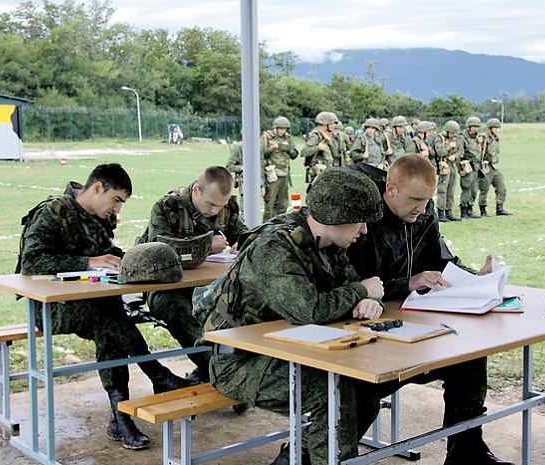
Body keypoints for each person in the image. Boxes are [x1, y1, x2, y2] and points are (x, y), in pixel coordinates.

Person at [203, 167, 398, 464]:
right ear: (336, 217)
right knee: (332, 395)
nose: (364, 230)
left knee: (364, 389)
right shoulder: (275, 247)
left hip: (287, 350)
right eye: (360, 221)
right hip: (239, 361)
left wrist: (372, 301)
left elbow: (359, 289)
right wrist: (362, 292)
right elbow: (310, 310)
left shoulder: (327, 243)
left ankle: (299, 458)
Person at [347, 154, 514, 465]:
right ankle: (315, 456)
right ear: (391, 189)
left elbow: (439, 260)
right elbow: (351, 284)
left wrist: (472, 277)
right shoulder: (361, 219)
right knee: (360, 391)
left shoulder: (423, 213)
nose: (422, 209)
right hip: (366, 331)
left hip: (412, 323)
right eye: (415, 199)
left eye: (427, 200)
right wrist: (406, 283)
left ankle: (466, 450)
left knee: (470, 358)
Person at [20, 163, 190, 451]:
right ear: (98, 188)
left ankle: (120, 416)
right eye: (117, 200)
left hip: (94, 303)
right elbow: (31, 262)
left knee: (109, 323)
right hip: (52, 308)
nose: (117, 210)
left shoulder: (97, 218)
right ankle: (156, 376)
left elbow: (109, 254)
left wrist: (136, 260)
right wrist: (87, 263)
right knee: (108, 319)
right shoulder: (53, 212)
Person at [139, 166, 248, 383]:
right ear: (197, 190)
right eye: (212, 205)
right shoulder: (167, 207)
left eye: (222, 206)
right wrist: (206, 245)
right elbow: (161, 253)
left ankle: (216, 370)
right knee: (181, 311)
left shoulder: (225, 208)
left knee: (240, 304)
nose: (216, 211)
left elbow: (243, 235)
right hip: (165, 287)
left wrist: (242, 243)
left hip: (205, 285)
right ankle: (225, 376)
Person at [261, 116, 299, 220]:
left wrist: (288, 149)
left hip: (285, 172)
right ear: (276, 128)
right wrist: (272, 148)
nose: (283, 131)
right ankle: (267, 226)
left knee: (283, 203)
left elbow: (295, 154)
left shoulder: (288, 138)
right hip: (272, 173)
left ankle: (279, 224)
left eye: (285, 129)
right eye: (281, 129)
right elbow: (262, 154)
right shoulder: (267, 136)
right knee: (270, 203)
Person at [478, 118, 513, 217]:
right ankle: (483, 210)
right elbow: (479, 153)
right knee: (484, 189)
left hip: (494, 166)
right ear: (490, 128)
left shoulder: (496, 138)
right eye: (495, 127)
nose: (497, 129)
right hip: (486, 166)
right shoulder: (484, 138)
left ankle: (500, 208)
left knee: (501, 187)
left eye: (498, 127)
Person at [434, 120, 464, 222]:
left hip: (453, 166)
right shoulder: (439, 139)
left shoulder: (455, 139)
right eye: (452, 133)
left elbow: (461, 151)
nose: (453, 135)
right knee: (443, 190)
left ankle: (449, 211)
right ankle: (441, 213)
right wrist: (449, 147)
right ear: (446, 131)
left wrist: (455, 156)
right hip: (444, 167)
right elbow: (439, 152)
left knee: (451, 190)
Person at [225, 140, 265, 212]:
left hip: (256, 181)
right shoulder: (239, 147)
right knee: (245, 209)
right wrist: (241, 168)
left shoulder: (259, 147)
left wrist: (261, 185)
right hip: (244, 181)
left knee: (255, 209)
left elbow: (261, 167)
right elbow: (229, 166)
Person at [456, 116, 483, 219]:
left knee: (474, 190)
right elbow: (459, 153)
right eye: (473, 126)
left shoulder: (477, 138)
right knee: (466, 189)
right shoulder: (462, 137)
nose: (475, 129)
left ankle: (470, 209)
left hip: (476, 167)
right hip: (467, 167)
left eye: (477, 127)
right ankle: (464, 210)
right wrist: (460, 169)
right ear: (469, 127)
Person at [301, 111, 340, 182]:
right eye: (331, 124)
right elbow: (303, 152)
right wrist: (318, 148)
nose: (333, 126)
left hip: (330, 171)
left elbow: (336, 155)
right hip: (318, 173)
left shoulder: (333, 136)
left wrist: (330, 142)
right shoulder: (315, 136)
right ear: (324, 124)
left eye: (334, 123)